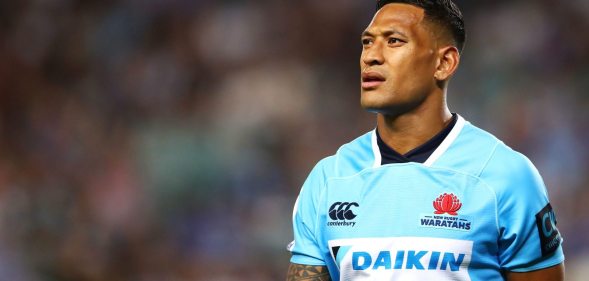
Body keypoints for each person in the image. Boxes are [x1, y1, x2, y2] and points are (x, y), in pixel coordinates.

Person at [286, 0, 565, 280]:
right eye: (367, 42)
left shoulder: (506, 175)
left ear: (444, 63)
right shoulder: (328, 180)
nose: (370, 56)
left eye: (394, 41)